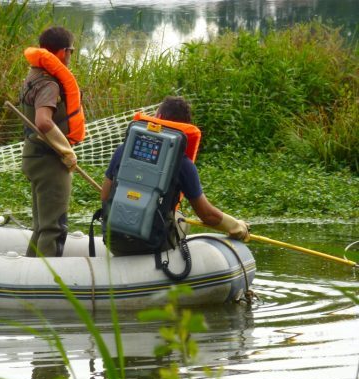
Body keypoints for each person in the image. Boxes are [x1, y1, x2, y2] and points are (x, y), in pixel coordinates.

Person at [101, 96, 249, 256]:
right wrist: (236, 225)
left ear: (158, 118)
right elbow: (207, 215)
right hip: (152, 245)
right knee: (181, 221)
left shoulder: (122, 150)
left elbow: (105, 196)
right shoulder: (184, 164)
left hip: (114, 241)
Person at [19, 26, 85, 257]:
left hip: (34, 156)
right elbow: (44, 122)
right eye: (71, 51)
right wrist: (66, 150)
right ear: (62, 52)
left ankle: (31, 273)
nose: (71, 57)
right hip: (49, 161)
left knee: (41, 226)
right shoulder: (49, 83)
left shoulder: (34, 74)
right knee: (53, 227)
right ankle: (46, 283)